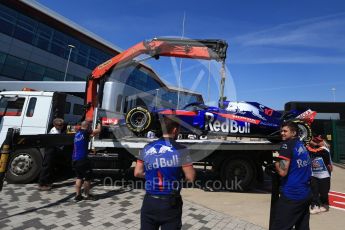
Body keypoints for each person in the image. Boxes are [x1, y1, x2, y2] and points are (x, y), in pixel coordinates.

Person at [134, 113, 196, 230]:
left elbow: (137, 172)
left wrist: (151, 177)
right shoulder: (181, 150)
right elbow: (190, 177)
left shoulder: (147, 147)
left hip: (150, 202)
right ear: (174, 129)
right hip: (170, 203)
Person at [271, 121, 312, 230]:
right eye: (281, 131)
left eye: (285, 131)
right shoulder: (301, 145)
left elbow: (282, 172)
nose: (282, 133)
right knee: (302, 226)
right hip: (306, 194)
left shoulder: (286, 145)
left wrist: (276, 162)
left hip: (292, 195)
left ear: (293, 133)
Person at [72, 120, 100, 202]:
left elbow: (89, 137)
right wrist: (99, 122)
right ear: (87, 126)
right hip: (82, 159)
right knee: (88, 177)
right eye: (90, 126)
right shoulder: (85, 132)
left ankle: (78, 195)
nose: (91, 127)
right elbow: (98, 130)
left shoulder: (78, 133)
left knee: (79, 177)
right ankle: (87, 195)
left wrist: (92, 135)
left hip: (74, 159)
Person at [308, 135, 333, 214]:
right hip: (314, 174)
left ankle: (325, 204)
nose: (316, 142)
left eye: (319, 141)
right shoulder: (311, 149)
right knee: (314, 191)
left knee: (324, 192)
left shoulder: (324, 150)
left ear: (324, 142)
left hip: (324, 174)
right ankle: (315, 205)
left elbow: (315, 152)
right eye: (315, 141)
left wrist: (308, 145)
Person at [38, 118, 64, 191]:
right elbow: (57, 143)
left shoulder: (58, 130)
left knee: (50, 166)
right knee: (46, 166)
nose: (61, 126)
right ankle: (42, 184)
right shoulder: (54, 132)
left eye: (62, 125)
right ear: (55, 125)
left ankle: (47, 182)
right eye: (60, 125)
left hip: (53, 149)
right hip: (50, 149)